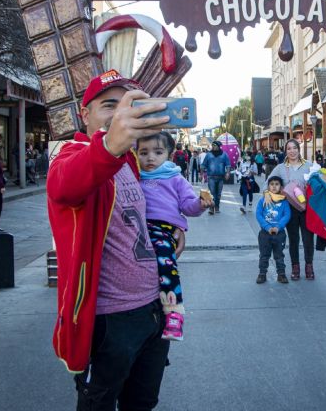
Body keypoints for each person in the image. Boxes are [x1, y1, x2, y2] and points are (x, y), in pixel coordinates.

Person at [46, 69, 173, 410]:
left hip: (152, 310)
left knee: (143, 403)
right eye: (110, 105)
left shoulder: (130, 160)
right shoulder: (71, 156)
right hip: (108, 322)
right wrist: (110, 144)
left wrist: (165, 237)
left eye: (128, 106)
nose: (120, 115)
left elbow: (133, 223)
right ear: (84, 114)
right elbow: (65, 184)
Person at [137, 131, 212, 341]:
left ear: (169, 155)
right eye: (144, 152)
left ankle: (174, 312)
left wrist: (200, 204)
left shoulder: (175, 178)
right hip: (138, 228)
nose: (150, 158)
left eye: (157, 152)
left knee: (164, 259)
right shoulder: (134, 175)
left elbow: (188, 206)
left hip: (164, 228)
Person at [269, 139, 314, 280]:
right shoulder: (280, 168)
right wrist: (274, 193)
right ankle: (295, 267)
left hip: (307, 208)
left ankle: (309, 266)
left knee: (308, 239)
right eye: (289, 148)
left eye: (294, 148)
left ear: (298, 150)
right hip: (289, 209)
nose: (292, 151)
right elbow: (267, 184)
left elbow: (321, 183)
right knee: (293, 239)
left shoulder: (309, 166)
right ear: (285, 151)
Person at [255, 175, 291, 284]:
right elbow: (258, 214)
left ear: (281, 187)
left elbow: (287, 215)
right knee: (264, 255)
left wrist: (278, 227)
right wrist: (267, 227)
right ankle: (262, 274)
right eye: (271, 184)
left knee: (279, 255)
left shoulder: (284, 201)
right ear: (268, 186)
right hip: (265, 234)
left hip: (279, 234)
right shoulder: (263, 200)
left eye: (277, 184)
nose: (274, 186)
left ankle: (281, 274)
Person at [202, 141, 230, 214]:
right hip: (211, 177)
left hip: (221, 177)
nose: (213, 147)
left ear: (218, 146)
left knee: (218, 194)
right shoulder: (209, 155)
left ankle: (217, 206)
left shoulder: (224, 155)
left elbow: (228, 165)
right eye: (212, 145)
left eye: (214, 145)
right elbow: (203, 165)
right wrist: (200, 174)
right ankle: (211, 208)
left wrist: (228, 173)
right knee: (212, 193)